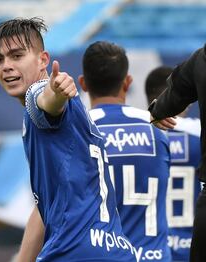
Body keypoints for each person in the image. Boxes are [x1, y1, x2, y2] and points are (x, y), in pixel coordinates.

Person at [0, 17, 136, 261]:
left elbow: (45, 102)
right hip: (115, 250)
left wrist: (55, 93)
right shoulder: (77, 117)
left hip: (73, 252)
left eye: (16, 56)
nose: (6, 66)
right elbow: (44, 209)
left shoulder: (39, 94)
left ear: (43, 60)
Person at [79, 41, 171, 261]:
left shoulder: (79, 133)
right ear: (128, 82)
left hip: (102, 256)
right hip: (154, 257)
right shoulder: (157, 130)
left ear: (83, 84)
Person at [148, 46, 206, 262]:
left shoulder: (201, 58)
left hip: (149, 249)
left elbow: (176, 92)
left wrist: (156, 112)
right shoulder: (194, 131)